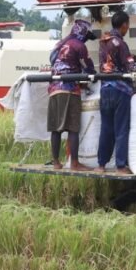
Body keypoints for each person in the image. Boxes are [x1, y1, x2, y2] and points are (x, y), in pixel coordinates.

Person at [97, 11, 136, 174]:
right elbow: (130, 67)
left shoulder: (104, 41)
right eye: (128, 25)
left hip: (104, 89)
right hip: (120, 90)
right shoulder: (120, 43)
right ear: (124, 24)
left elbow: (118, 60)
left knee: (106, 128)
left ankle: (101, 165)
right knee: (122, 128)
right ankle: (121, 166)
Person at [47, 19, 96, 170]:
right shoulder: (79, 46)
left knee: (56, 128)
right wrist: (93, 75)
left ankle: (56, 162)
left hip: (54, 89)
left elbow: (52, 61)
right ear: (82, 33)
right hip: (69, 90)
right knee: (73, 128)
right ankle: (74, 162)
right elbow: (88, 68)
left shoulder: (60, 44)